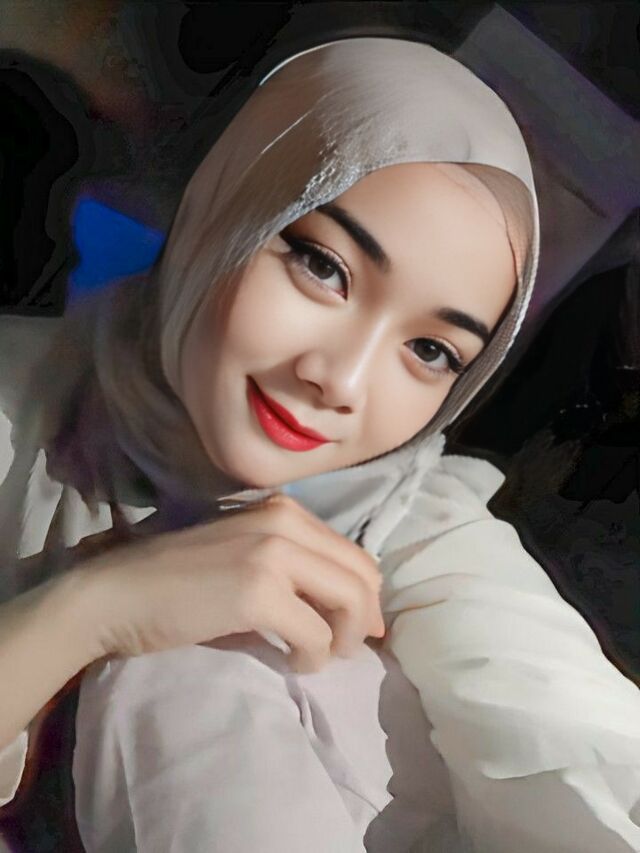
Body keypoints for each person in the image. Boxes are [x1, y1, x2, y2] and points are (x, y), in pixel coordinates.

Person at [0, 37, 639, 852]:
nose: (342, 379)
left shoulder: (416, 526)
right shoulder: (17, 401)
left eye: (431, 350)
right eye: (323, 266)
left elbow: (569, 737)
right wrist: (96, 610)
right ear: (225, 202)